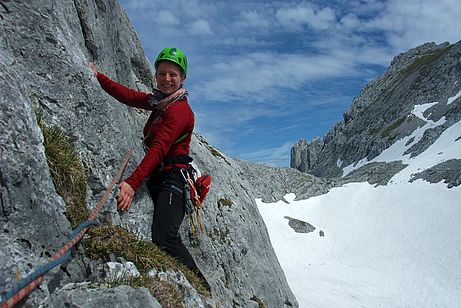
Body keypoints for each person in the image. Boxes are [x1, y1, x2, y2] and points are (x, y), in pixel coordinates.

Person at [89, 47, 206, 282]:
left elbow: (159, 149)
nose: (166, 79)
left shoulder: (180, 111)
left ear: (182, 78)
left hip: (173, 179)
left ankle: (202, 288)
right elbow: (130, 96)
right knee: (162, 235)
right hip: (159, 175)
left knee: (165, 236)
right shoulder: (160, 102)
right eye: (162, 73)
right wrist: (98, 77)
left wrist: (132, 183)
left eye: (173, 74)